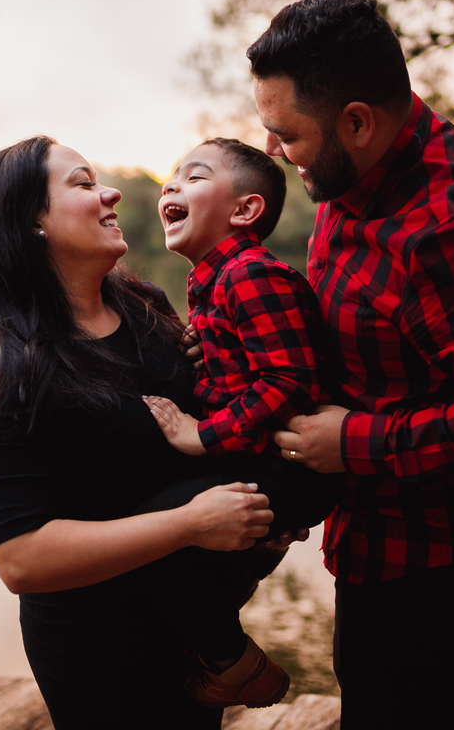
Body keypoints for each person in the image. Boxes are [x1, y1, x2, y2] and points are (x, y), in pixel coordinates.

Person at [247, 0, 454, 728]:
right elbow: (369, 328)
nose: (273, 149)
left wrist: (352, 444)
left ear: (358, 121)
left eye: (287, 134)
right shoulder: (350, 174)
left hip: (439, 559)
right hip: (375, 528)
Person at [0, 136, 284, 729]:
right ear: (31, 224)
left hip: (190, 624)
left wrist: (263, 508)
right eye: (81, 184)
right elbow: (20, 559)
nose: (112, 193)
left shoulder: (143, 303)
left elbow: (205, 425)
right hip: (100, 643)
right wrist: (192, 524)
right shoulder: (12, 368)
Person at [143, 138, 342, 703]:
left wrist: (198, 435)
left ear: (244, 211)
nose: (171, 185)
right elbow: (246, 367)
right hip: (260, 460)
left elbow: (290, 381)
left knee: (155, 534)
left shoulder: (250, 274)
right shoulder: (213, 281)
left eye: (194, 177)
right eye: (173, 176)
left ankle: (235, 663)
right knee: (159, 529)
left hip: (291, 468)